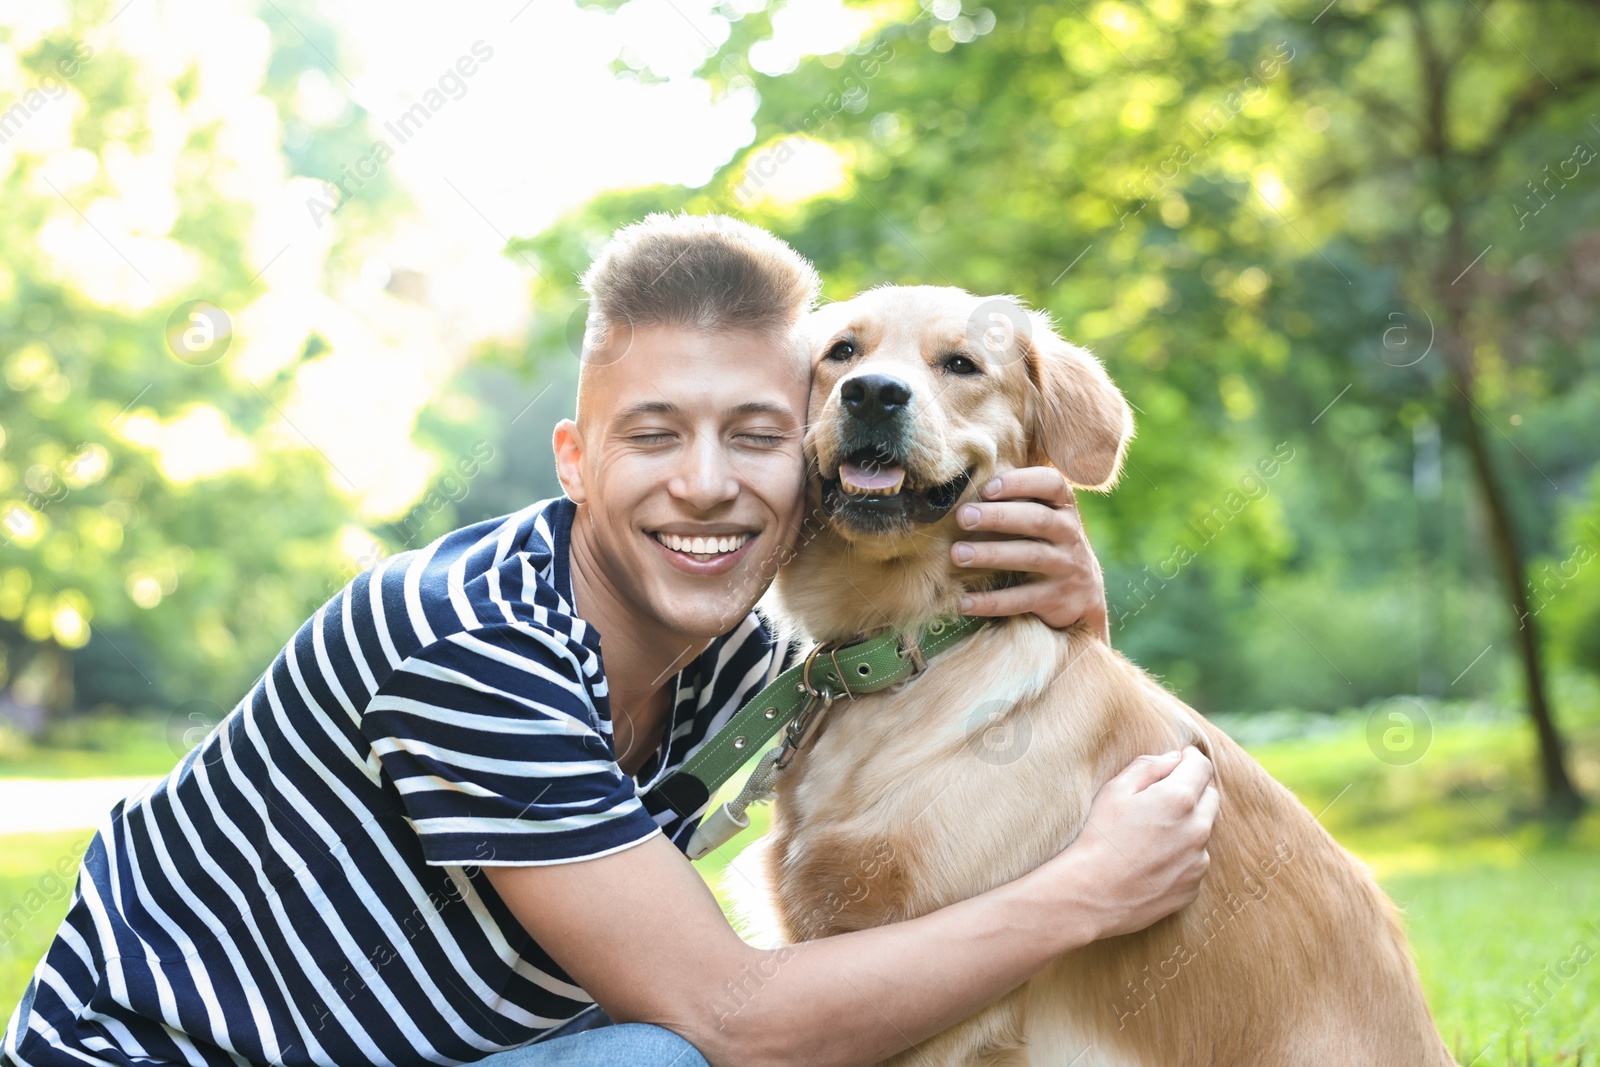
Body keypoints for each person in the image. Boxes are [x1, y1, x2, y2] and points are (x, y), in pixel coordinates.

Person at [2, 214, 1216, 1067]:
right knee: (657, 1056)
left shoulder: (743, 650)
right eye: (653, 436)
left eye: (752, 433)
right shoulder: (471, 643)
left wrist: (1067, 610)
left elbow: (937, 682)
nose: (706, 486)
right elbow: (739, 1020)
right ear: (574, 461)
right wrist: (1086, 891)